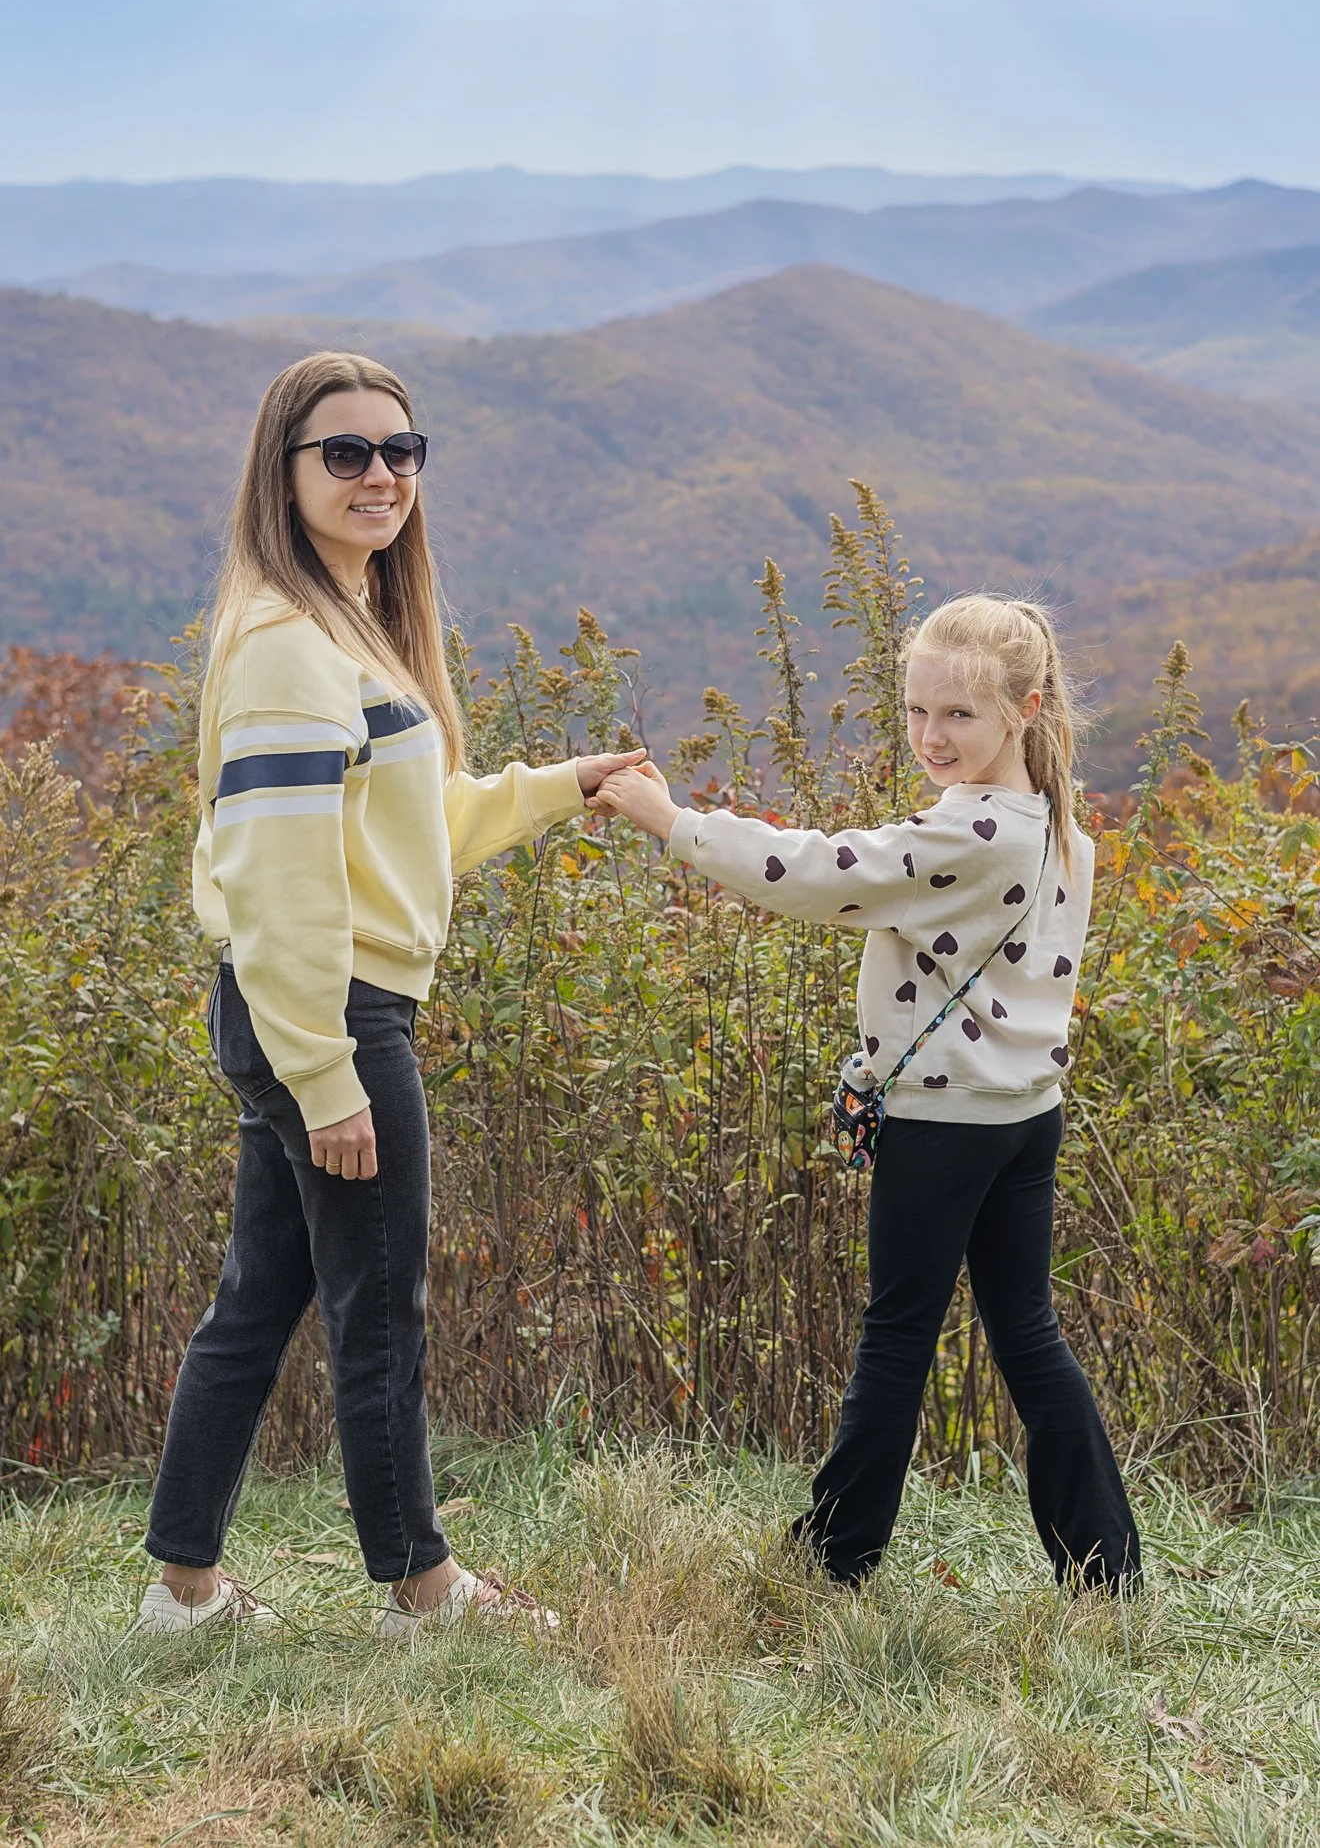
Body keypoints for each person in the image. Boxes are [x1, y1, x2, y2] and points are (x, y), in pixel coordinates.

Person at [139, 352, 643, 1636]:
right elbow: (282, 879)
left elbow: (412, 825)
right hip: (331, 1010)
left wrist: (560, 786)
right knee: (380, 1311)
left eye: (402, 451)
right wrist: (326, 1072)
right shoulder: (287, 646)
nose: (381, 475)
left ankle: (184, 1591)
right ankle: (421, 1590)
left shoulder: (346, 623)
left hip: (308, 1004)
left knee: (261, 1297)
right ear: (284, 473)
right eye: (347, 453)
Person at [596, 595, 1141, 1592]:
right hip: (1025, 1116)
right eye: (917, 710)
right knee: (1029, 1337)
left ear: (1023, 710)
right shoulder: (1060, 829)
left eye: (959, 714)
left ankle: (834, 1560)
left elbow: (818, 874)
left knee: (896, 1341)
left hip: (947, 1123)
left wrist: (673, 822)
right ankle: (1106, 1571)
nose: (932, 735)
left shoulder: (974, 834)